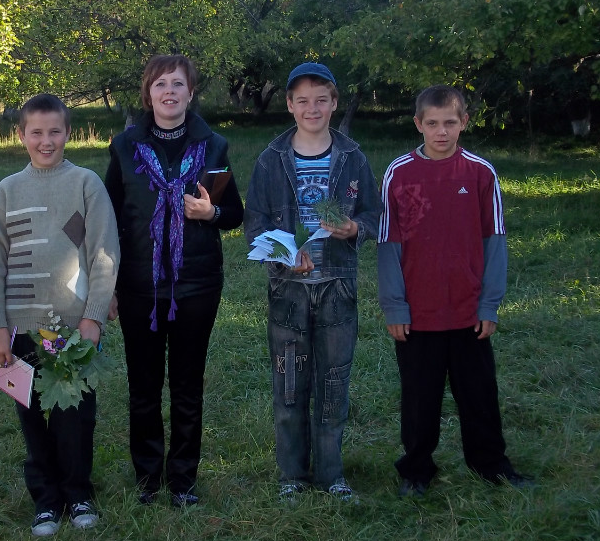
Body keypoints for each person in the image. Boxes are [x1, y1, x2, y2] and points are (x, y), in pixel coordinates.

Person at [378, 85, 533, 497]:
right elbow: (389, 244)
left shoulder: (480, 173)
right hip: (418, 314)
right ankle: (416, 470)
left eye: (450, 122)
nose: (441, 132)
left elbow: (494, 242)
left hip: (468, 311)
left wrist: (489, 304)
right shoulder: (399, 174)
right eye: (432, 123)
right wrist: (395, 306)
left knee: (479, 395)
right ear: (418, 124)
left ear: (464, 122)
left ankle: (491, 465)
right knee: (419, 399)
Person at [105, 54, 244, 508]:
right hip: (138, 285)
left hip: (196, 285)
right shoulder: (124, 147)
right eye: (160, 84)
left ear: (190, 92)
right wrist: (108, 285)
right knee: (143, 387)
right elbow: (108, 219)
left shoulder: (214, 145)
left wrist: (211, 212)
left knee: (187, 386)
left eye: (178, 84)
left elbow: (233, 213)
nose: (169, 91)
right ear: (148, 93)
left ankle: (183, 479)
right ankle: (148, 478)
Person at [0, 94, 120, 537]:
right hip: (20, 329)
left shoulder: (85, 184)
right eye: (36, 132)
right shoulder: (6, 192)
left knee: (74, 415)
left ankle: (78, 494)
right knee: (32, 415)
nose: (46, 141)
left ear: (68, 133)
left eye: (55, 132)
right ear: (21, 135)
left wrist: (93, 317)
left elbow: (103, 253)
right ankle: (45, 500)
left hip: (70, 329)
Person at [244, 62, 381, 502]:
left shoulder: (352, 157)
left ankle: (331, 474)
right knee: (289, 386)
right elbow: (255, 223)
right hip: (289, 293)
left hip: (337, 287)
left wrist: (354, 228)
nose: (312, 108)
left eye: (321, 100)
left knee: (334, 383)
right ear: (289, 105)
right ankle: (292, 476)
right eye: (302, 101)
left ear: (334, 103)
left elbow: (374, 214)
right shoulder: (271, 159)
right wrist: (285, 257)